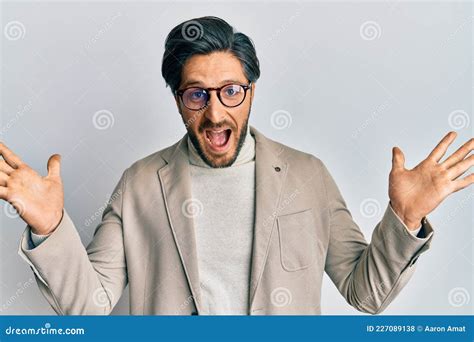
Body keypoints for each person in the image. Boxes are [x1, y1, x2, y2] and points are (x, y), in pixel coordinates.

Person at [1, 16, 472, 315]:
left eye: (230, 91)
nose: (215, 112)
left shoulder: (309, 177)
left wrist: (405, 219)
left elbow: (364, 294)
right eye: (196, 94)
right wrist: (50, 227)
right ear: (178, 99)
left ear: (250, 92)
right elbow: (89, 306)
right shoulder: (140, 183)